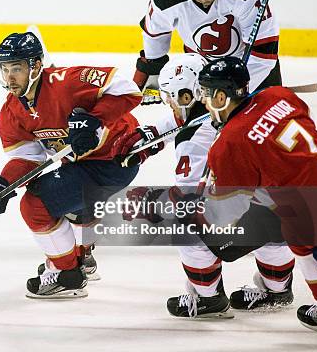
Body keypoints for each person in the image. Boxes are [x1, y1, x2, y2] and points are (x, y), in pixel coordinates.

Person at [112, 54, 295, 318]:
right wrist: (148, 138)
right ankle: (278, 288)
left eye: (172, 99)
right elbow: (182, 120)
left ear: (189, 96)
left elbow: (190, 200)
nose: (171, 106)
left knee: (185, 224)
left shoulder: (194, 140)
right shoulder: (244, 105)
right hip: (291, 208)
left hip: (244, 217)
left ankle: (208, 298)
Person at [0, 32, 142, 298]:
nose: (9, 77)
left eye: (16, 68)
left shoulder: (66, 82)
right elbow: (28, 158)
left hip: (115, 159)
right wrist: (2, 185)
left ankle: (68, 275)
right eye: (5, 69)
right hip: (85, 165)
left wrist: (95, 119)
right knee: (69, 204)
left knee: (36, 206)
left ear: (36, 66)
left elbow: (128, 90)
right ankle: (82, 259)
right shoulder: (11, 111)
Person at [174, 56, 317, 334]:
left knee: (190, 226)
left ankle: (208, 298)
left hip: (313, 212)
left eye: (208, 95)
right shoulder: (278, 94)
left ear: (222, 96)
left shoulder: (230, 142)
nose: (206, 102)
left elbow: (225, 215)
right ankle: (279, 289)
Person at [135, 0, 281, 105]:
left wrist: (236, 87)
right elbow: (155, 33)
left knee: (270, 119)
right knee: (202, 128)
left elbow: (264, 53)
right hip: (201, 70)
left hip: (251, 68)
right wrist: (153, 70)